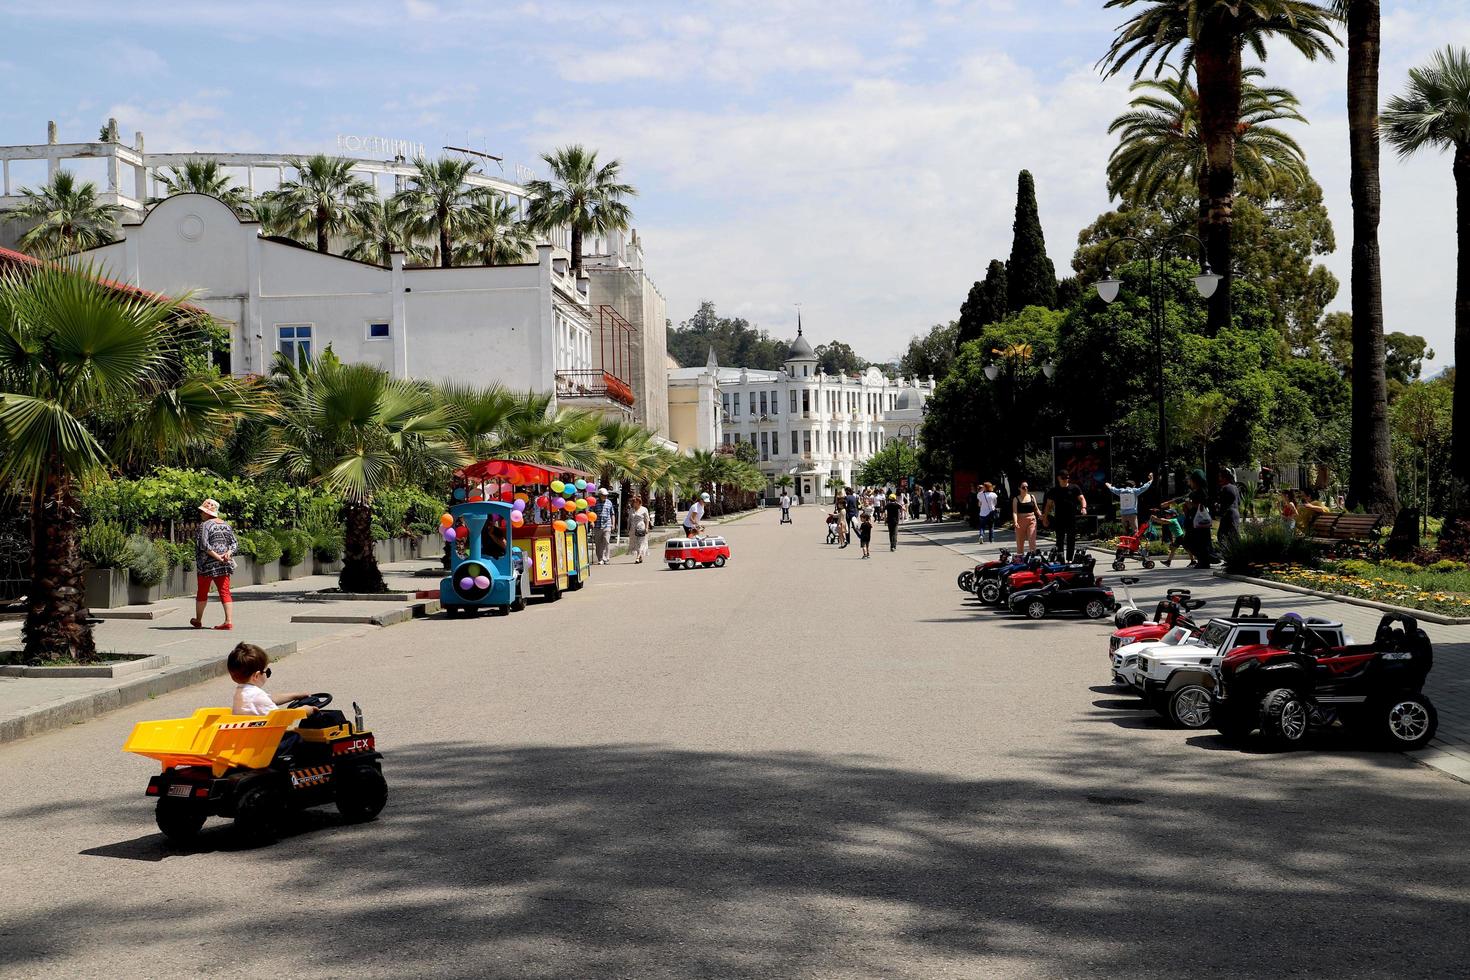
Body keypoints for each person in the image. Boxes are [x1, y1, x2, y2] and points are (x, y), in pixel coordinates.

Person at [227, 642, 315, 760]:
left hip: (249, 741)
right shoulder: (257, 696)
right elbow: (280, 718)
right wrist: (305, 710)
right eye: (267, 672)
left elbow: (272, 699)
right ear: (257, 676)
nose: (267, 675)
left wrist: (295, 695)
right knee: (295, 737)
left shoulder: (242, 692)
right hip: (263, 745)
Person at [192, 498, 237, 631]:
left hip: (206, 565)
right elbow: (234, 543)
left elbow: (204, 545)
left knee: (202, 592)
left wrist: (217, 557)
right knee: (225, 591)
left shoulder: (205, 526)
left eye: (202, 512)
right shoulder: (226, 525)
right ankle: (228, 621)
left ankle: (198, 620)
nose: (201, 514)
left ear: (207, 513)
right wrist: (228, 553)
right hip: (224, 565)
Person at [1042, 472, 1088, 562]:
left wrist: (1083, 507)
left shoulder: (1074, 488)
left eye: (1067, 478)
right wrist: (1045, 517)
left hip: (1071, 517)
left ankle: (1070, 559)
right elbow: (1048, 505)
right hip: (1059, 518)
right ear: (1059, 478)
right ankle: (1060, 558)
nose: (1065, 480)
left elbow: (1082, 498)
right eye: (1063, 478)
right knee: (1060, 539)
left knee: (1071, 539)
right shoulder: (1054, 490)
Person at [1182, 469, 1213, 568]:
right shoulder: (1201, 491)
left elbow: (1197, 506)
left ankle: (1203, 562)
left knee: (1195, 541)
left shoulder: (1200, 492)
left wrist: (1189, 504)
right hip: (1199, 522)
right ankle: (1203, 561)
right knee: (1199, 542)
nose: (1189, 482)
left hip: (1198, 521)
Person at [1215, 467, 1242, 555]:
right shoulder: (1235, 488)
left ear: (1224, 478)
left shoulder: (1225, 488)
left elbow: (1222, 503)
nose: (1219, 479)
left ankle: (1228, 555)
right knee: (1234, 535)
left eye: (1220, 477)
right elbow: (1239, 502)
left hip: (1228, 514)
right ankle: (1237, 554)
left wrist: (1218, 509)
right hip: (1236, 513)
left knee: (1221, 535)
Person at [1013, 482, 1039, 553]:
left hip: (1031, 520)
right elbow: (1015, 512)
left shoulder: (1032, 497)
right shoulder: (1016, 499)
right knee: (1020, 542)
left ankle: (1033, 559)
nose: (1026, 489)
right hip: (1020, 521)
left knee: (1032, 540)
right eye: (1023, 487)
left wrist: (1041, 516)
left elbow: (1036, 509)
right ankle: (1020, 559)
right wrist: (1015, 522)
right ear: (1019, 488)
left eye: (1027, 487)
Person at [592, 488, 615, 565]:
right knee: (598, 543)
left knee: (606, 541)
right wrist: (592, 522)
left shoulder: (609, 503)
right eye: (603, 495)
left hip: (607, 525)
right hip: (597, 525)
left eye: (606, 495)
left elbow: (612, 514)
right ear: (600, 495)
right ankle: (600, 558)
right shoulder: (595, 503)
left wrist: (613, 524)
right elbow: (591, 513)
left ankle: (606, 557)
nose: (605, 497)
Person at [628, 494, 651, 564]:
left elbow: (647, 520)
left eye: (635, 502)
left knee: (641, 542)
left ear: (639, 502)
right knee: (636, 543)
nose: (634, 503)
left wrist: (647, 528)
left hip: (641, 527)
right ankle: (640, 556)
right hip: (633, 528)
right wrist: (628, 528)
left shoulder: (644, 509)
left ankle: (638, 557)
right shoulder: (631, 510)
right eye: (633, 502)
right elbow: (629, 520)